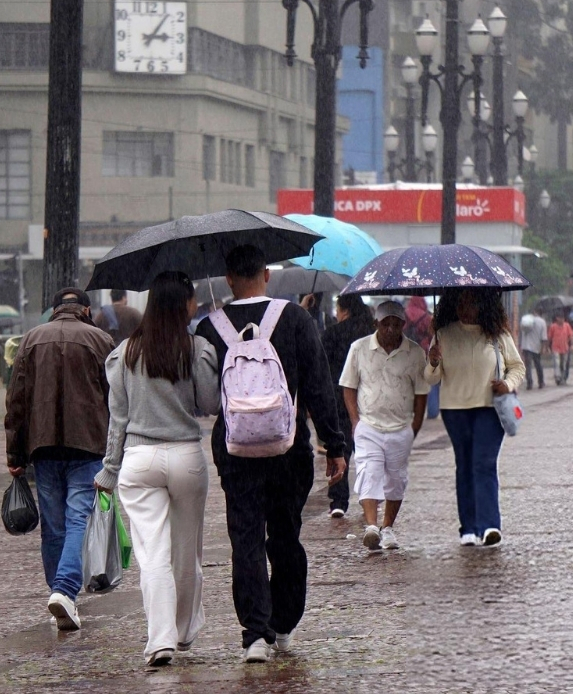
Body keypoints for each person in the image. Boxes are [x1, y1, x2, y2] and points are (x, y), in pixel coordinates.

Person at [194, 245, 348, 663]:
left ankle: (254, 635)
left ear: (228, 278)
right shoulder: (294, 318)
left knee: (245, 539)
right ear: (266, 273)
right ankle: (283, 624)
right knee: (285, 535)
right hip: (289, 449)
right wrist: (335, 445)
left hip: (235, 451)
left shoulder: (210, 328)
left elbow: (206, 398)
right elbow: (319, 384)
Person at [94, 272, 220, 667]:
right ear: (183, 305)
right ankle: (183, 631)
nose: (196, 306)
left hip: (138, 459)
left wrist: (109, 472)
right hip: (185, 455)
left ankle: (160, 639)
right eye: (192, 300)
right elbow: (210, 403)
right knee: (186, 554)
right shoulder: (196, 348)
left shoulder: (124, 354)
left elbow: (118, 419)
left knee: (152, 555)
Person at [5, 288, 114, 631]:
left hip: (43, 444)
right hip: (88, 443)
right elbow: (116, 398)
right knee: (78, 516)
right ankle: (65, 591)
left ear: (54, 311)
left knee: (54, 526)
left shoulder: (31, 339)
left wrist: (15, 453)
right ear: (85, 309)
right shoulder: (100, 341)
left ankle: (60, 593)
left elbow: (17, 400)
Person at [425, 289, 526, 547]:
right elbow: (431, 379)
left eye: (471, 303)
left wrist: (508, 383)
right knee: (465, 465)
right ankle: (468, 527)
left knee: (483, 463)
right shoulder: (443, 335)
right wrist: (433, 361)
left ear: (482, 305)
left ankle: (490, 525)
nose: (465, 308)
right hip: (454, 410)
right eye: (461, 303)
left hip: (489, 409)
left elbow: (517, 367)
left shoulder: (497, 335)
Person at [339, 300, 429, 551]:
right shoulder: (359, 349)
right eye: (385, 323)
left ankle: (387, 527)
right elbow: (348, 387)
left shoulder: (414, 353)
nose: (390, 329)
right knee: (368, 470)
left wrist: (415, 426)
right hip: (368, 424)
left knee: (396, 479)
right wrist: (355, 421)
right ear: (375, 324)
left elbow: (422, 392)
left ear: (403, 325)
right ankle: (371, 526)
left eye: (395, 324)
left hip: (401, 427)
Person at [320, 293, 377, 518]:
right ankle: (370, 496)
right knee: (369, 450)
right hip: (368, 397)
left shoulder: (333, 333)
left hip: (338, 398)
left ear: (344, 310)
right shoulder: (371, 335)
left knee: (339, 448)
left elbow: (321, 365)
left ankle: (338, 501)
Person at [404, 296, 441, 418]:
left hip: (408, 352)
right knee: (430, 380)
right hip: (424, 351)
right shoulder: (426, 317)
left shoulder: (404, 315)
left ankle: (410, 410)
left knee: (410, 382)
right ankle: (433, 410)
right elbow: (432, 336)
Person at [518, 309, 547, 390]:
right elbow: (544, 337)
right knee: (538, 365)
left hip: (526, 347)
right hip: (536, 347)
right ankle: (541, 382)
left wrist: (521, 346)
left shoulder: (526, 320)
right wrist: (543, 348)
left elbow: (521, 333)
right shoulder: (542, 322)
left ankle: (529, 383)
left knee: (528, 366)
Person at [547, 311, 573, 385]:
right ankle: (558, 376)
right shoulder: (553, 326)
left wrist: (572, 345)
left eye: (563, 318)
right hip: (555, 347)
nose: (562, 320)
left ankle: (563, 377)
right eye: (560, 318)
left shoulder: (567, 326)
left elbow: (571, 336)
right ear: (557, 319)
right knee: (557, 363)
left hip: (565, 347)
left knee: (563, 364)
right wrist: (548, 347)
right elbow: (550, 338)